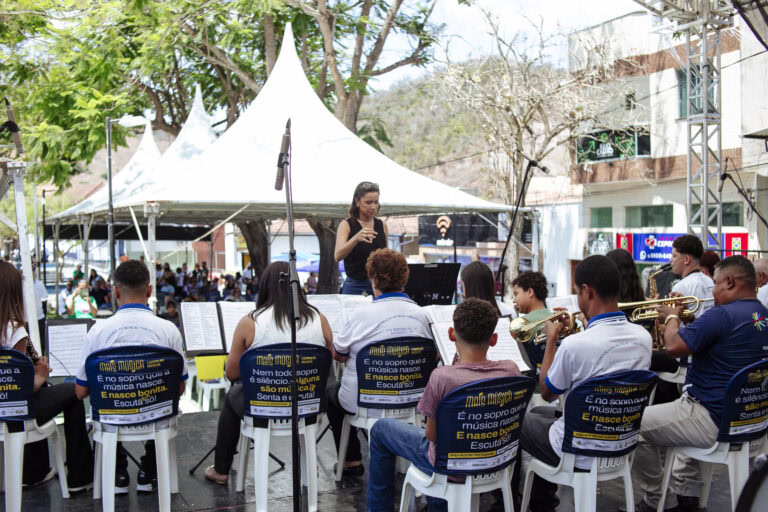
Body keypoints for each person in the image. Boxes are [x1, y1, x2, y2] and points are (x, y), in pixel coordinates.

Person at [512, 255, 652, 512]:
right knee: (543, 416)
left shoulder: (576, 346)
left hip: (579, 448)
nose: (577, 299)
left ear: (587, 292)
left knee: (517, 418)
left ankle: (530, 503)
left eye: (577, 293)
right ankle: (543, 500)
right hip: (620, 442)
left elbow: (546, 392)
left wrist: (551, 341)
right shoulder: (643, 338)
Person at [632, 255, 768, 511]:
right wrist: (688, 321)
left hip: (710, 417)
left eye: (715, 283)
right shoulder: (762, 314)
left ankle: (659, 500)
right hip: (748, 420)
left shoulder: (721, 314)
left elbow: (672, 347)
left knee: (632, 425)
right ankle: (687, 494)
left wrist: (672, 316)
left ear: (729, 282)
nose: (713, 290)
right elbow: (719, 340)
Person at [367, 299, 521, 511]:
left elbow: (431, 435)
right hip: (492, 464)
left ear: (451, 334)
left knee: (380, 430)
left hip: (450, 466)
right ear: (493, 339)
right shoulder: (511, 370)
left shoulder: (442, 377)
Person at [204, 261, 333, 485]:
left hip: (263, 405)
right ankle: (308, 466)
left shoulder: (250, 323)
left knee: (232, 395)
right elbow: (326, 367)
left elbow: (232, 373)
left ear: (264, 287)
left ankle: (222, 470)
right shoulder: (319, 320)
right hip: (307, 404)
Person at [74, 260, 188, 494]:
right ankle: (149, 471)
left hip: (112, 417)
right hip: (156, 418)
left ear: (115, 292)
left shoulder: (97, 332)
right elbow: (179, 388)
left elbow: (80, 391)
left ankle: (117, 473)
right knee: (164, 406)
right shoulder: (169, 330)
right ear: (149, 290)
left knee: (106, 409)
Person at [328, 248, 432, 477]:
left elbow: (337, 354)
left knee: (331, 394)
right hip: (412, 401)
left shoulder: (360, 315)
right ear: (404, 278)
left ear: (373, 278)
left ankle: (352, 461)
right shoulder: (423, 316)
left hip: (366, 402)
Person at [0, 261, 94, 492]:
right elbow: (16, 390)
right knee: (74, 392)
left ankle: (36, 471)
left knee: (49, 393)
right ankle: (79, 478)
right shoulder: (13, 330)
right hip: (12, 410)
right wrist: (39, 376)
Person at [334, 181, 388, 295]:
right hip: (355, 285)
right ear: (357, 202)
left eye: (376, 202)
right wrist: (355, 238)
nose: (373, 207)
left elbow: (386, 256)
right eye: (368, 202)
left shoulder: (382, 225)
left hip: (380, 284)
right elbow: (337, 256)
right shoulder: (346, 225)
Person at [511, 271, 552, 371]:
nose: (514, 300)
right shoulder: (552, 316)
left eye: (516, 294)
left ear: (530, 292)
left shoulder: (523, 322)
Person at [669, 234, 714, 319]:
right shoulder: (709, 281)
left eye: (674, 256)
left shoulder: (680, 287)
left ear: (686, 259)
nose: (671, 260)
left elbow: (674, 322)